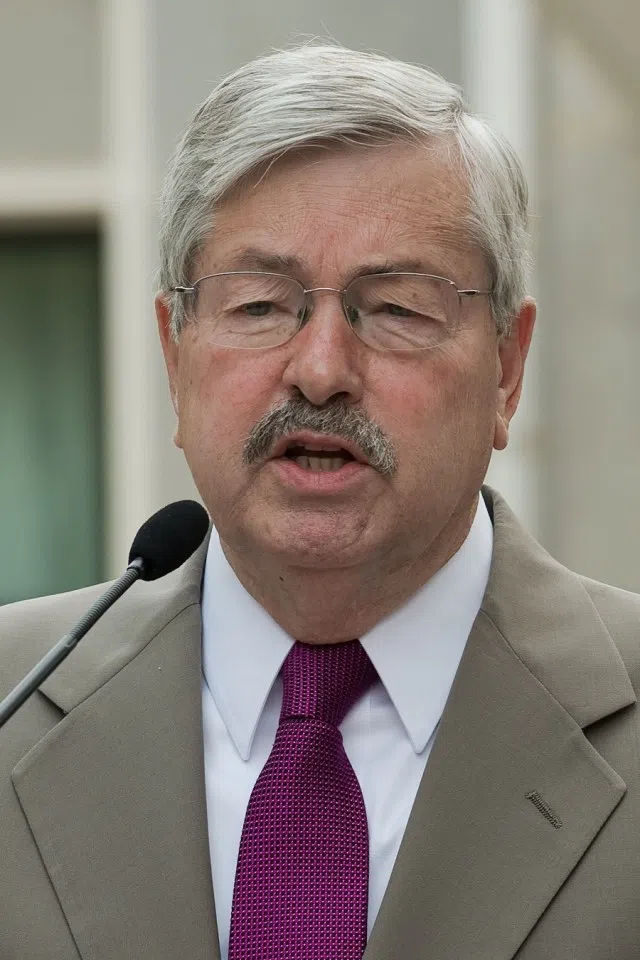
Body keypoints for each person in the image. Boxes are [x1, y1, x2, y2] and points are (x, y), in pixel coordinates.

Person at [1, 43, 639, 960]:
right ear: (175, 354)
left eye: (398, 309)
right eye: (260, 305)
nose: (322, 370)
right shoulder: (14, 705)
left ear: (506, 368)